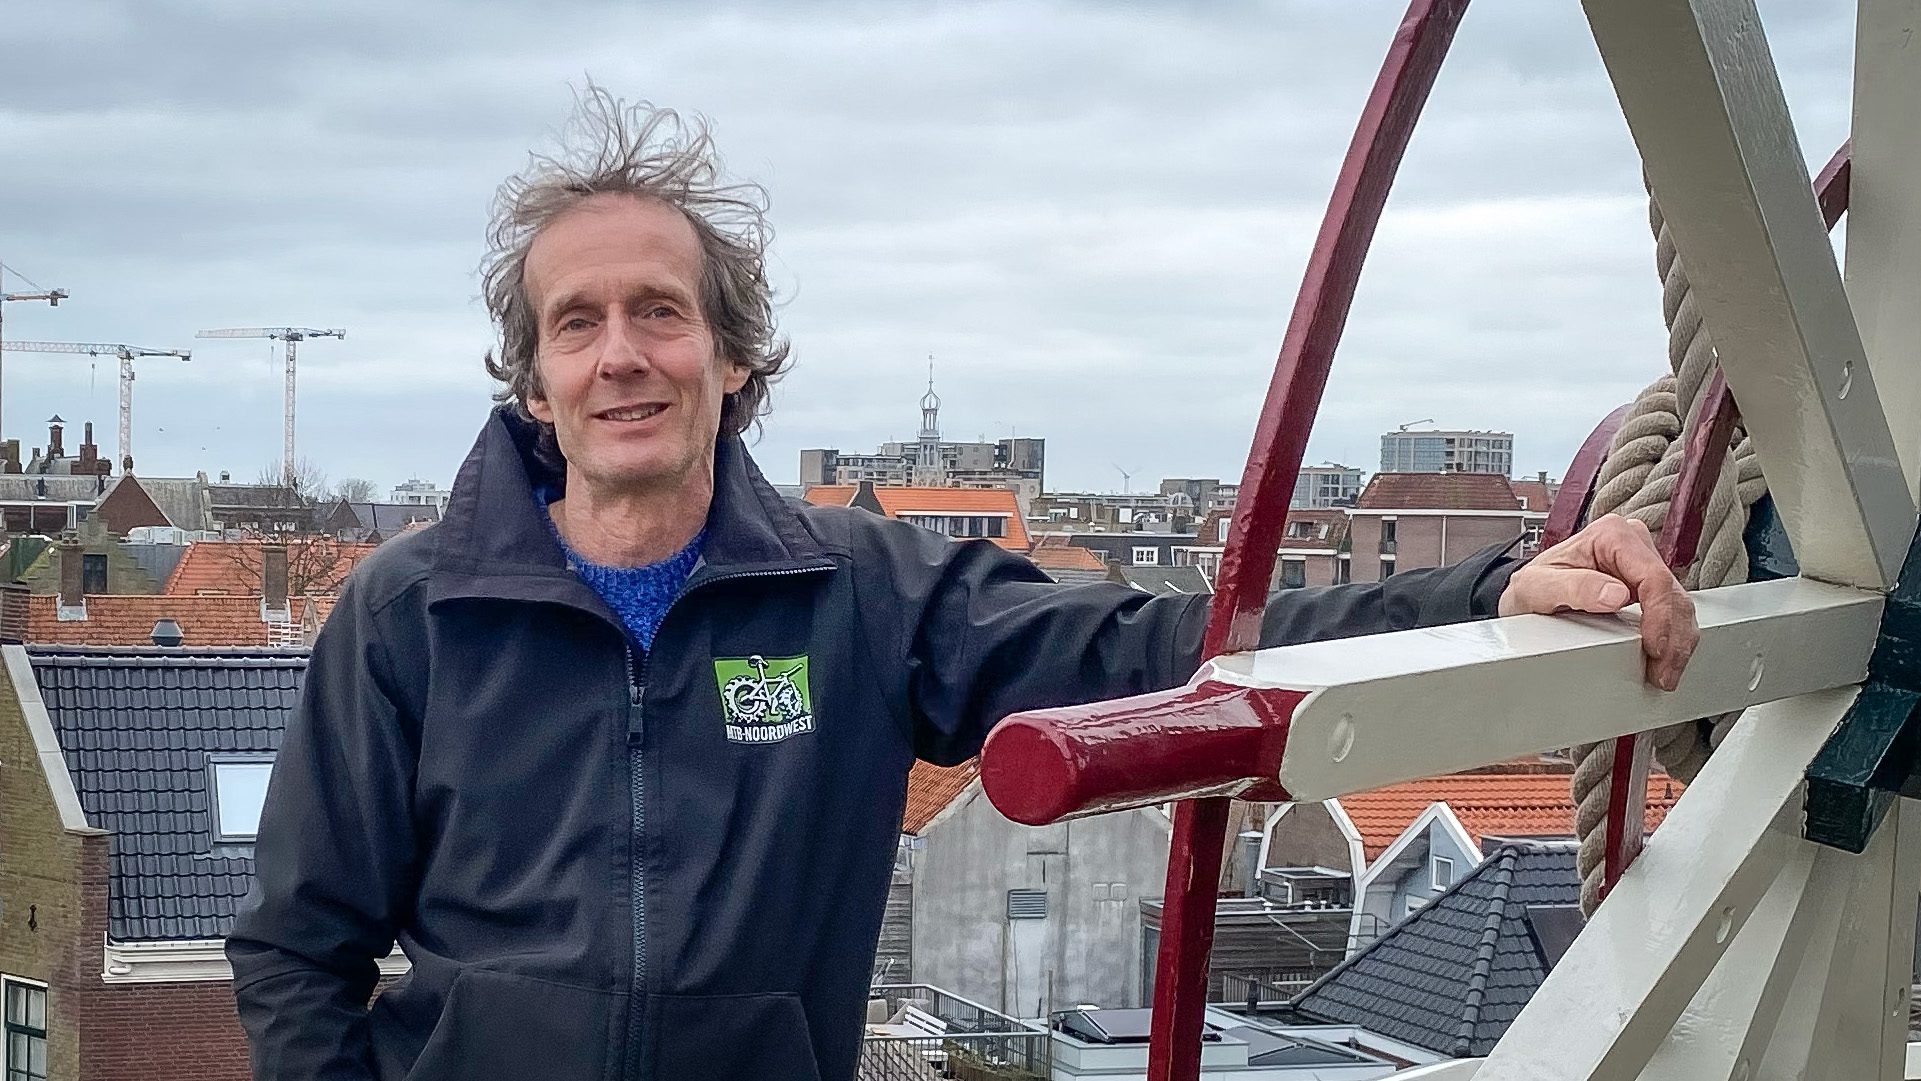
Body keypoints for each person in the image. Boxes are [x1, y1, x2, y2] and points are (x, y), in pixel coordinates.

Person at [227, 89, 1698, 1081]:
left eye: (661, 313)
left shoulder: (855, 592)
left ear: (731, 357)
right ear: (534, 380)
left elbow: (1161, 636)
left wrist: (1496, 587)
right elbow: (300, 944)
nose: (623, 353)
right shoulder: (409, 615)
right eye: (580, 322)